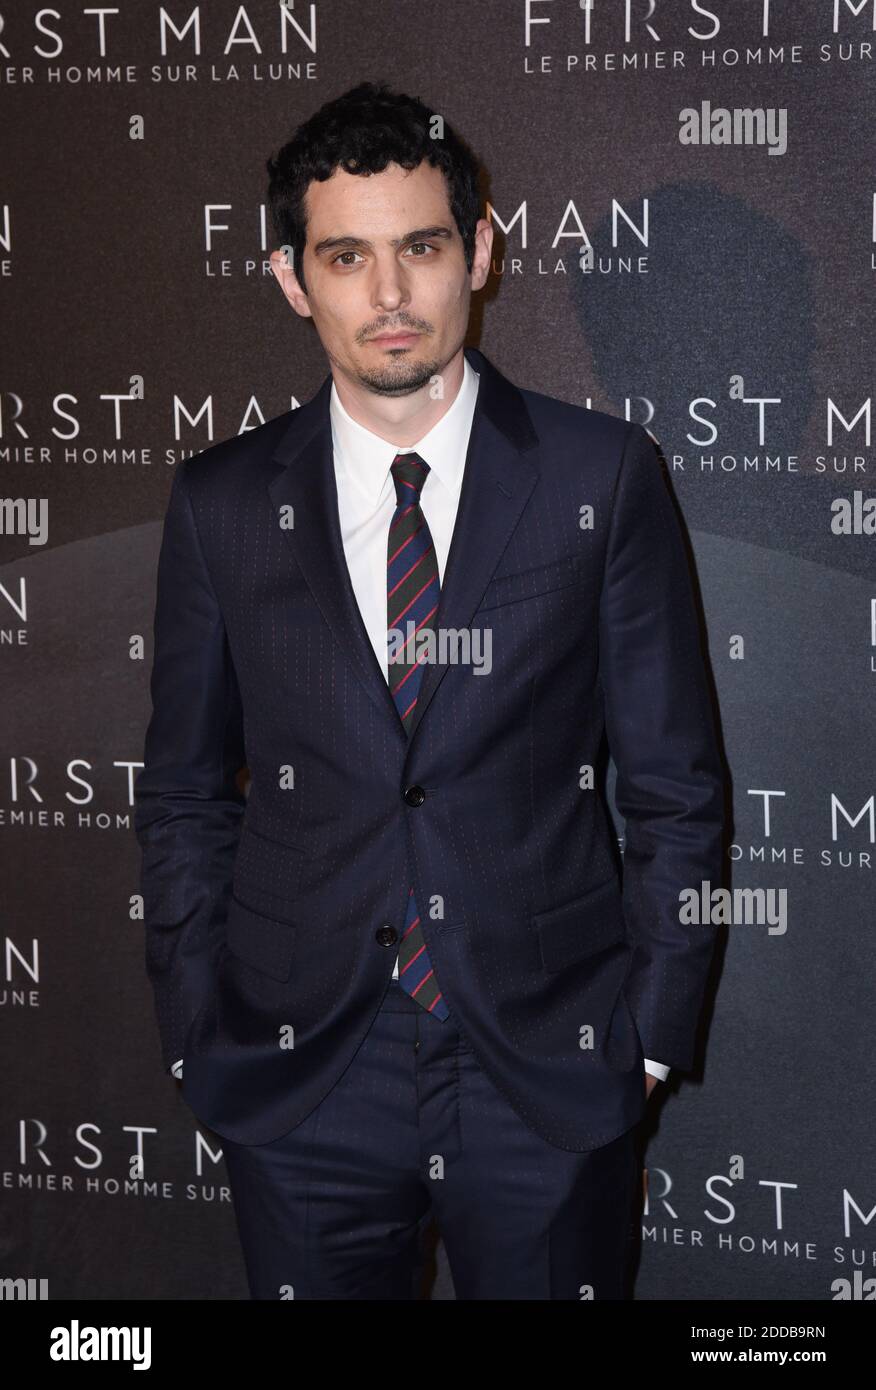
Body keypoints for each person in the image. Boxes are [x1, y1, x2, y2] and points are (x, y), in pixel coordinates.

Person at [134, 81, 724, 1300]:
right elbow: (186, 792)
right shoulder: (223, 504)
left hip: (546, 1066)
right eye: (346, 256)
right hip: (306, 1076)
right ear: (295, 279)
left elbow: (675, 786)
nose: (389, 296)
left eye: (422, 248)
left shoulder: (600, 476)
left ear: (482, 253)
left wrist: (653, 1040)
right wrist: (202, 1037)